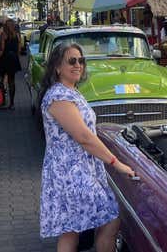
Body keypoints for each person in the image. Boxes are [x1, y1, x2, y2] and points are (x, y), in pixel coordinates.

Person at [38, 43, 135, 251]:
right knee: (110, 218)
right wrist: (116, 163)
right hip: (70, 173)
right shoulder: (59, 96)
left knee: (71, 229)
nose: (78, 65)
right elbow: (84, 137)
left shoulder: (70, 91)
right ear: (57, 67)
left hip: (78, 170)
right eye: (71, 61)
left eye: (81, 60)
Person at [0, 19, 22, 110]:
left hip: (5, 58)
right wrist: (17, 58)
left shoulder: (3, 34)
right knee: (12, 81)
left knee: (2, 79)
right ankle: (12, 103)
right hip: (13, 58)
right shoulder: (17, 35)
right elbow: (19, 49)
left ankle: (3, 101)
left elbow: (1, 49)